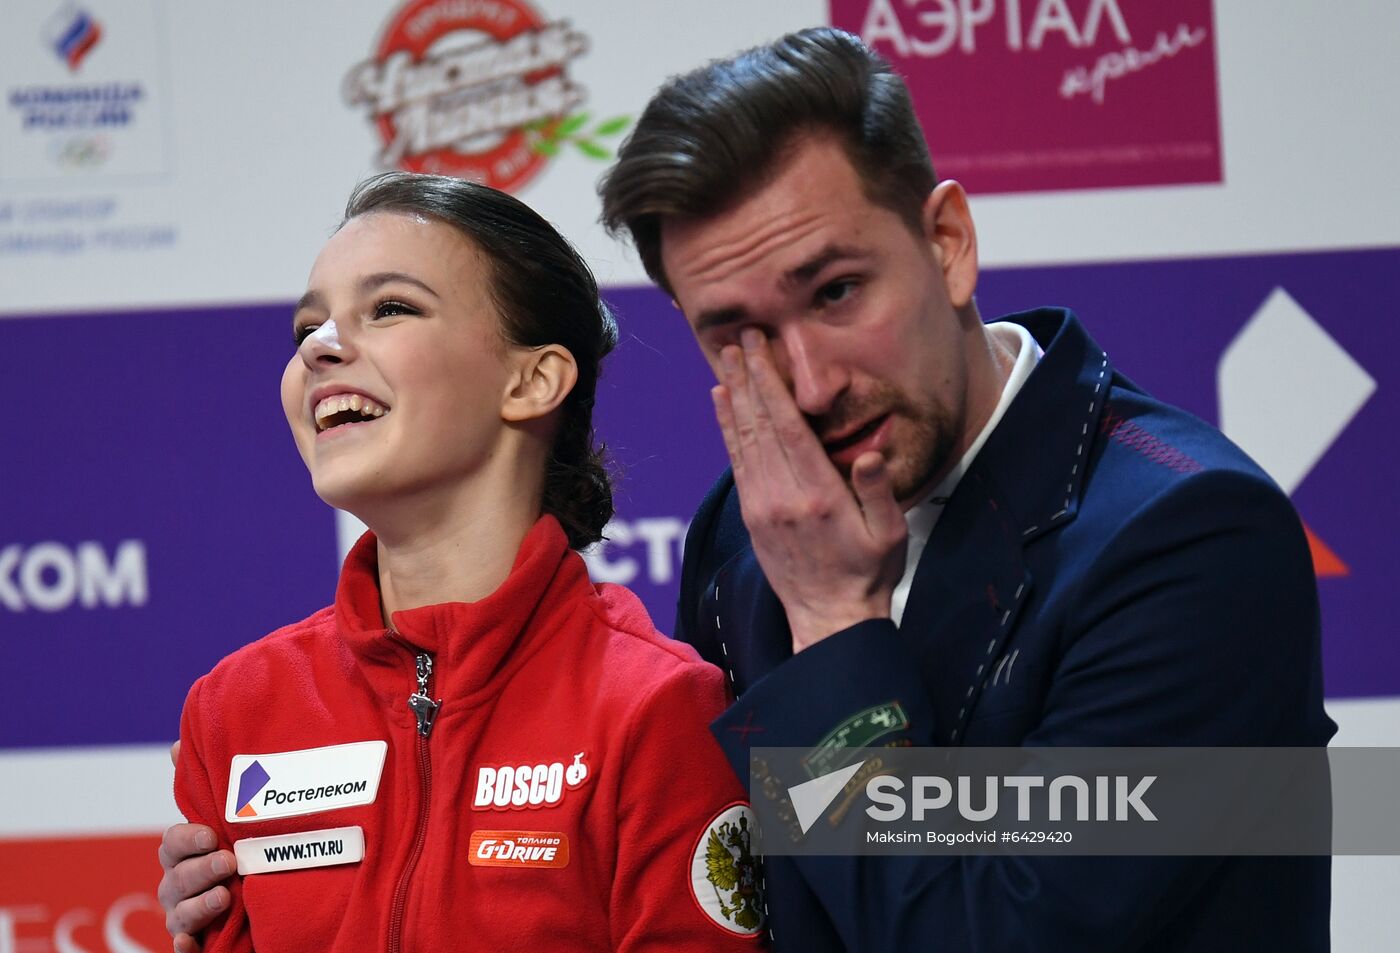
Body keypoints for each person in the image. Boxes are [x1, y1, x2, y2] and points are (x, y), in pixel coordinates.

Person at [161, 27, 1335, 952]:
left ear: (948, 242)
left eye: (833, 292)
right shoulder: (744, 532)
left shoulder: (1186, 533)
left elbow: (997, 929)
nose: (808, 383)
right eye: (734, 332)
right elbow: (757, 901)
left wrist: (832, 624)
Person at [163, 172, 767, 952]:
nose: (320, 346)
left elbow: (939, 832)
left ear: (533, 379)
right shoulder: (233, 710)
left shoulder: (656, 706)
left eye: (389, 308)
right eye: (307, 328)